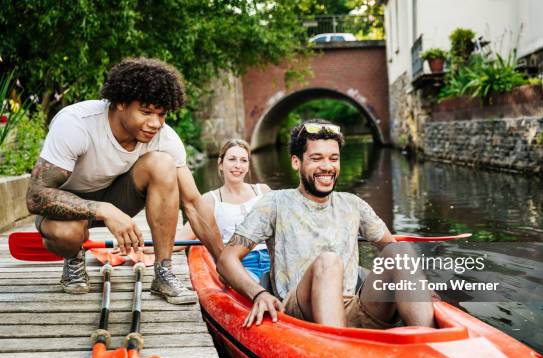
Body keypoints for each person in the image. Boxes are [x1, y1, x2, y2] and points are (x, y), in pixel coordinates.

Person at [26, 57, 223, 304]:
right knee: (68, 234)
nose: (155, 123)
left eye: (161, 114)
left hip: (118, 196)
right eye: (146, 112)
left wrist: (223, 264)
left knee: (163, 164)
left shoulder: (164, 137)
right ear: (120, 103)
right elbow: (36, 196)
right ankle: (74, 258)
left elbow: (193, 203)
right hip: (66, 206)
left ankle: (163, 272)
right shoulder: (76, 123)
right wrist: (103, 210)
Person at [217, 119, 434, 329]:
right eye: (317, 158)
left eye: (333, 158)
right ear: (296, 162)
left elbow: (390, 247)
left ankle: (429, 343)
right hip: (300, 310)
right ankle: (337, 350)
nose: (327, 167)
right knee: (329, 262)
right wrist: (259, 293)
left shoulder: (353, 204)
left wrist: (418, 283)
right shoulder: (275, 203)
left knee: (400, 251)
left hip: (353, 307)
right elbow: (227, 260)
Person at [170, 139, 271, 282]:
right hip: (240, 263)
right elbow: (181, 240)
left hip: (272, 259)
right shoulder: (210, 200)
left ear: (248, 166)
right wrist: (141, 250)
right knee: (260, 289)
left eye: (243, 160)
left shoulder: (263, 191)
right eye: (232, 159)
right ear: (221, 163)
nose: (238, 165)